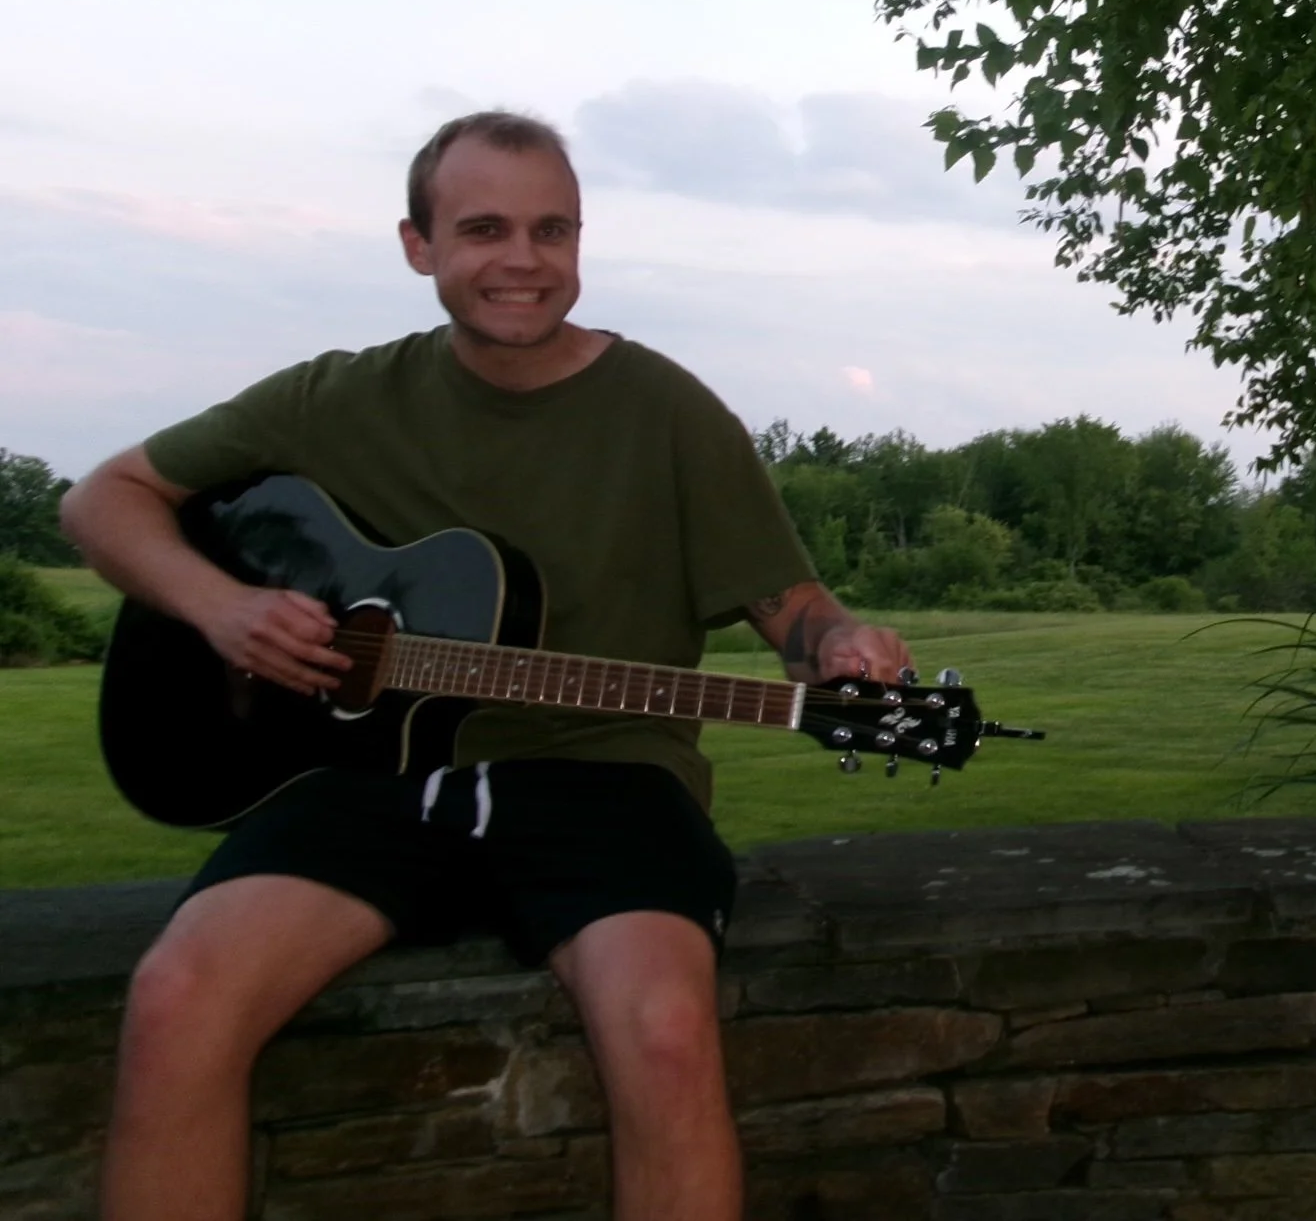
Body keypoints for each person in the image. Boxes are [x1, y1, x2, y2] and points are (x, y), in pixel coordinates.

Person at [60, 110, 914, 1221]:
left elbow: (788, 608)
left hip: (606, 774)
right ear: (418, 246)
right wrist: (223, 608)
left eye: (552, 230)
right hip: (361, 779)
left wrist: (836, 646)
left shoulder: (667, 410)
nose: (524, 260)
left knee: (663, 1031)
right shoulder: (335, 398)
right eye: (484, 229)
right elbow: (103, 499)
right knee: (179, 996)